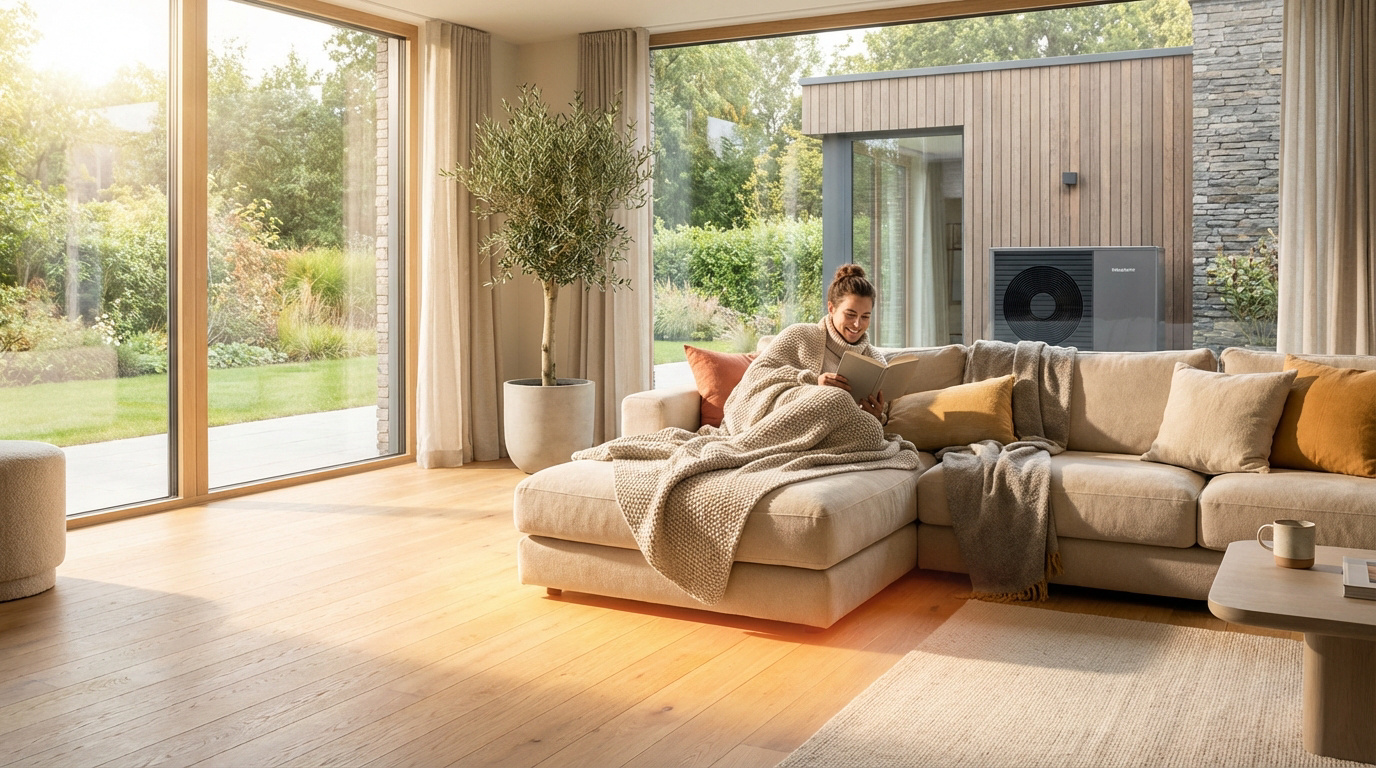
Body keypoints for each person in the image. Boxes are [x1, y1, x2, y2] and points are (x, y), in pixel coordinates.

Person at [801, 264, 888, 424]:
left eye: (865, 317)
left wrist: (877, 417)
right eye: (850, 314)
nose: (857, 324)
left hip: (848, 433)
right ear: (831, 308)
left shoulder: (876, 360)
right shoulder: (801, 336)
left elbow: (881, 419)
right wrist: (814, 385)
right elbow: (759, 382)